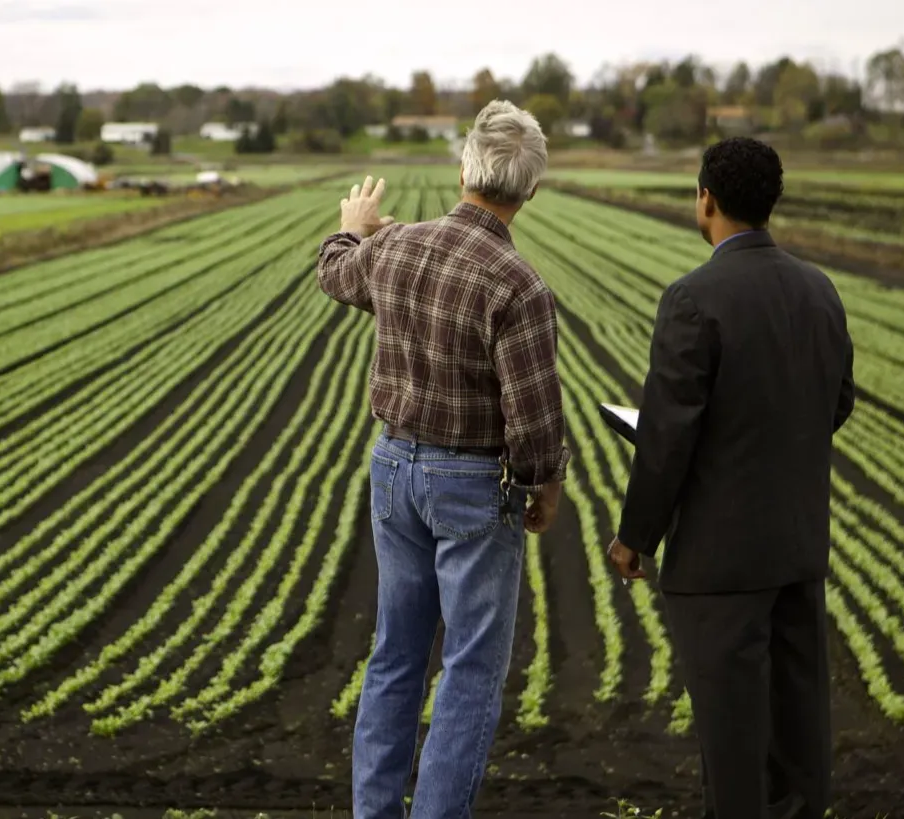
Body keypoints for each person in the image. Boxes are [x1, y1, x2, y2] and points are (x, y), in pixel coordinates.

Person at [317, 100, 568, 819]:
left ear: (463, 168)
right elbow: (534, 413)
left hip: (393, 470)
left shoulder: (398, 250)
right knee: (470, 669)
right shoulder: (518, 285)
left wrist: (352, 229)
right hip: (471, 484)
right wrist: (543, 484)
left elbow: (336, 272)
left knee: (396, 651)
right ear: (531, 190)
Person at [607, 137, 856, 819]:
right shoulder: (819, 288)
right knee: (800, 736)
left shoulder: (694, 298)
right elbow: (838, 401)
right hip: (799, 547)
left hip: (719, 562)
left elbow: (667, 437)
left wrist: (636, 538)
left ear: (706, 200)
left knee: (733, 742)